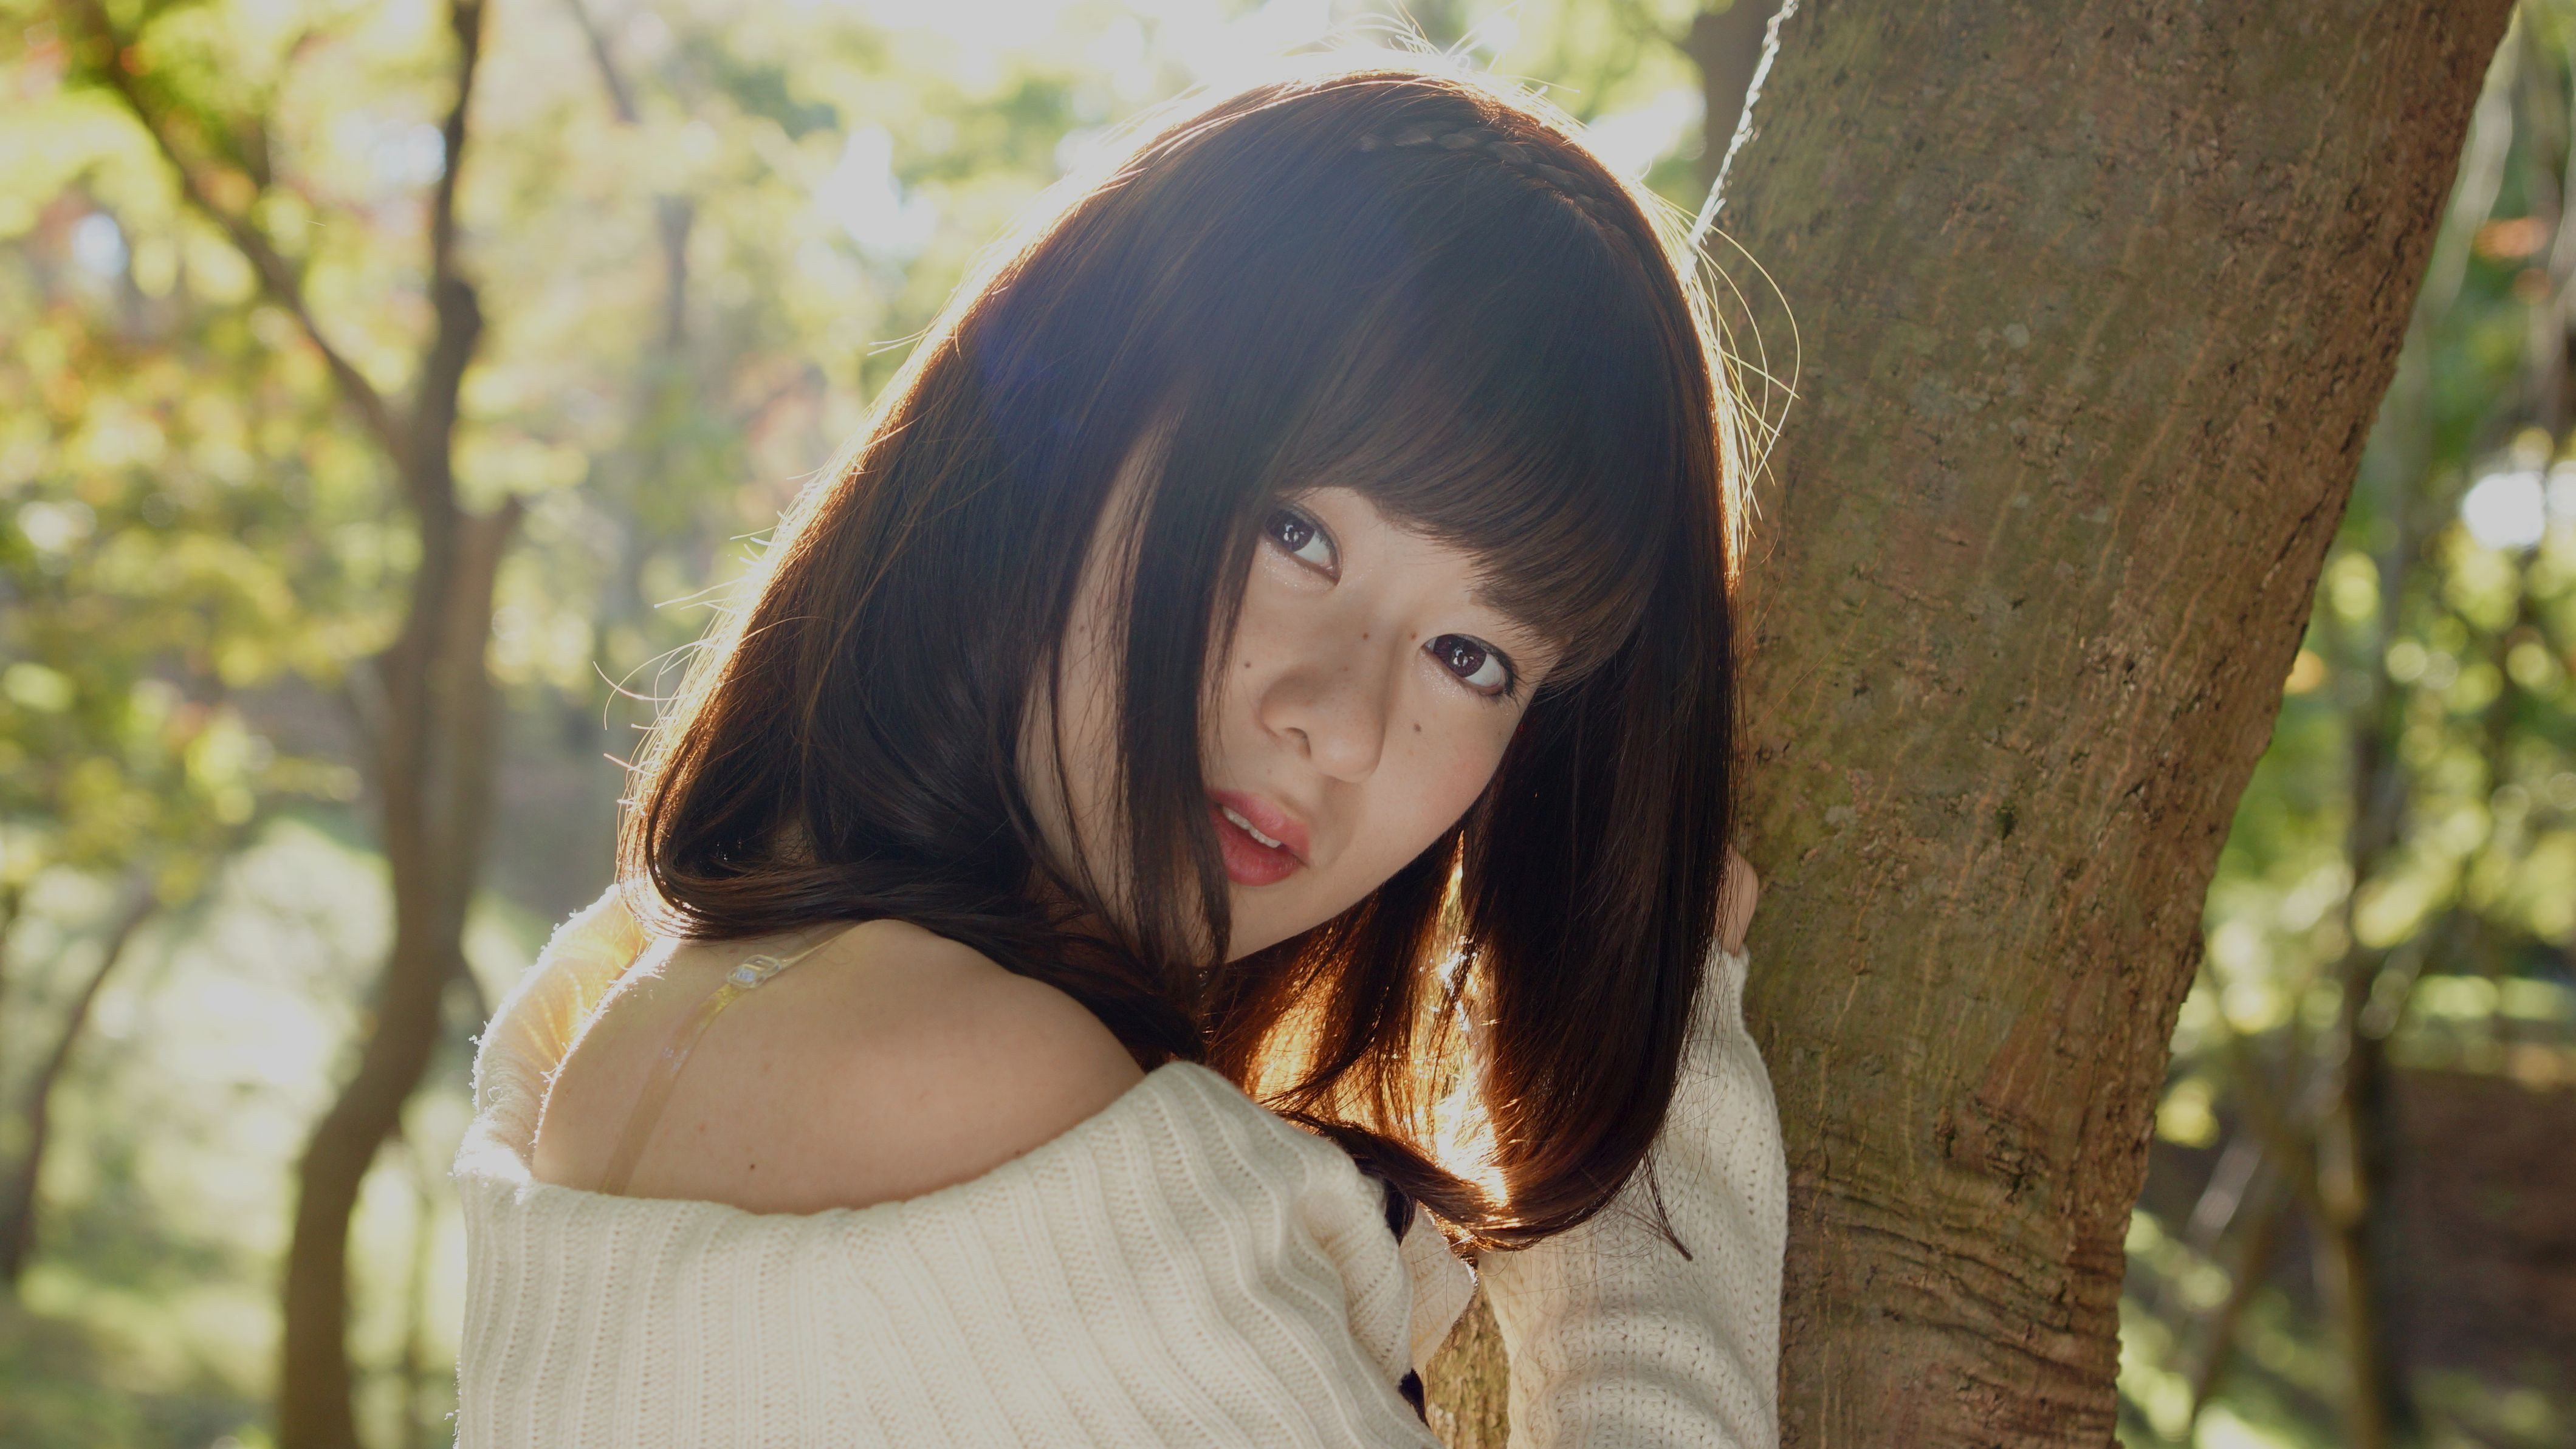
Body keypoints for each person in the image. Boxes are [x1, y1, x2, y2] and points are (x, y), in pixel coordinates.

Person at [452, 58, 1785, 1447]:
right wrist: (1663, 1090)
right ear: (1058, 440)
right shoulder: (987, 1096)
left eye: (1472, 658)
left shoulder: (663, 995)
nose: (1338, 721)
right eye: (1296, 533)